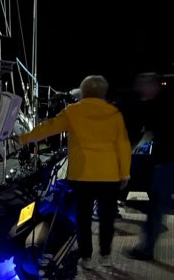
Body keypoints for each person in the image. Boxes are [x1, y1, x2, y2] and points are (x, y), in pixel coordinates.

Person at [16, 75, 131, 270]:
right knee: (107, 218)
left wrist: (23, 139)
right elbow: (123, 145)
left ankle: (86, 258)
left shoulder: (73, 111)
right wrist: (125, 173)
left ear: (83, 92)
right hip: (109, 176)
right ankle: (105, 255)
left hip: (82, 176)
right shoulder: (114, 114)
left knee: (83, 218)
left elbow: (47, 128)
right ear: (104, 93)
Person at [126, 71, 174, 263]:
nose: (140, 89)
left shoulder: (157, 104)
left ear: (151, 85)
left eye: (142, 85)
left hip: (168, 162)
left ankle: (146, 250)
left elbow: (146, 128)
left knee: (157, 208)